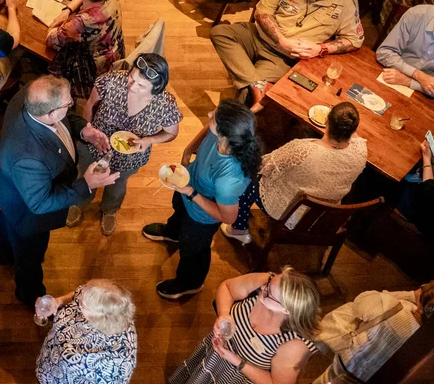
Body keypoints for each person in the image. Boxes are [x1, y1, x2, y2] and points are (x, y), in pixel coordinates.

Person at [0, 76, 119, 306]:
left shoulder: (34, 97)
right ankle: (29, 293)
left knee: (8, 223)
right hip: (28, 212)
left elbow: (66, 119)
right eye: (68, 103)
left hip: (12, 191)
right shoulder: (28, 155)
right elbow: (40, 203)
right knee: (30, 254)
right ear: (51, 113)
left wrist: (84, 131)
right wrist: (87, 184)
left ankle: (4, 254)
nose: (71, 105)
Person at [142, 100, 260, 299]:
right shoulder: (222, 135)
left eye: (214, 116)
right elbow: (207, 130)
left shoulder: (229, 179)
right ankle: (173, 233)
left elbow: (228, 217)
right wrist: (189, 149)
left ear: (224, 134)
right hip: (188, 186)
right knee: (178, 213)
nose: (209, 115)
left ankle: (190, 283)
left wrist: (191, 193)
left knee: (193, 250)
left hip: (200, 216)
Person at [210, 0, 363, 107]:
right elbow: (261, 12)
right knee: (220, 32)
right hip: (257, 36)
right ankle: (257, 83)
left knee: (246, 94)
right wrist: (282, 40)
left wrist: (321, 49)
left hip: (282, 58)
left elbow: (354, 40)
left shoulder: (347, 3)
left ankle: (239, 101)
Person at [222, 102, 366, 245]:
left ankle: (238, 229)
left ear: (326, 121)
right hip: (324, 216)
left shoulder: (302, 150)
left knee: (248, 176)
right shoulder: (360, 151)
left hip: (292, 214)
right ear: (352, 130)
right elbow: (355, 137)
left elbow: (264, 165)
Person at [169, 268, 320, 384]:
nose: (262, 288)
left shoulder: (295, 344)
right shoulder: (269, 281)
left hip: (236, 383)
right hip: (213, 357)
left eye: (268, 292)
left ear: (286, 310)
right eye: (269, 283)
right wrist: (224, 314)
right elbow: (227, 287)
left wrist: (238, 361)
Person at [72, 54, 182, 234]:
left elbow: (171, 133)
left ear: (156, 88)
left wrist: (150, 140)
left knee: (117, 184)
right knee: (85, 174)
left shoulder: (165, 103)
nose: (132, 86)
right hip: (95, 144)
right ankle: (78, 202)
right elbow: (90, 105)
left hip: (129, 157)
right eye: (132, 77)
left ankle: (109, 210)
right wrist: (88, 132)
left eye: (141, 85)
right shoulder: (111, 80)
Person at [300, 279, 434, 384]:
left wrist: (410, 295)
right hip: (373, 380)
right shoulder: (429, 342)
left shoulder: (396, 306)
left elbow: (361, 302)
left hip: (350, 361)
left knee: (326, 381)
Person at [18, 279, 138, 384]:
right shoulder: (94, 293)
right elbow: (76, 294)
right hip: (48, 366)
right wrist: (58, 301)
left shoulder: (118, 359)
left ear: (99, 316)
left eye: (82, 303)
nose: (78, 297)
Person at [46, 0, 126, 98]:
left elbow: (51, 39)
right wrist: (67, 10)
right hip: (115, 52)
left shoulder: (83, 22)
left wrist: (57, 24)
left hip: (93, 67)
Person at [376, 4, 434, 99]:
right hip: (392, 72)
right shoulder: (417, 14)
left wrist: (409, 81)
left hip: (425, 95)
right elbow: (384, 52)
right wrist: (418, 75)